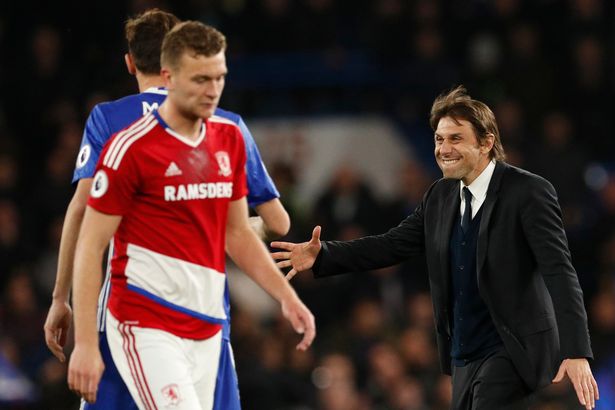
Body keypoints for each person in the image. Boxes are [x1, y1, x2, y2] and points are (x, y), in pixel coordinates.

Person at [272, 86, 598, 410]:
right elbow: (391, 245)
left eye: (455, 138)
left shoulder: (528, 192)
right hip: (463, 353)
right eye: (439, 139)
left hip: (514, 349)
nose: (443, 148)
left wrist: (576, 350)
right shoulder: (439, 197)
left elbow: (559, 270)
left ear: (486, 142)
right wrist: (324, 254)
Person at [43, 9, 290, 410]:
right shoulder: (226, 124)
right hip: (204, 317)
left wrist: (60, 298)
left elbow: (81, 211)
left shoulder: (108, 119)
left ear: (129, 63)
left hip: (129, 314)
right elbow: (278, 221)